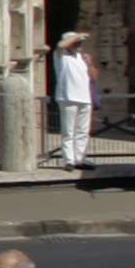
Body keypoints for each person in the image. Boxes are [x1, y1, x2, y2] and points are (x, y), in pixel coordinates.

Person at [53, 33, 98, 168]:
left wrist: (90, 64)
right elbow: (61, 45)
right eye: (77, 42)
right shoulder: (61, 55)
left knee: (83, 132)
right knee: (68, 131)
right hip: (68, 97)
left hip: (85, 98)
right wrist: (78, 35)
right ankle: (69, 160)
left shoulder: (81, 57)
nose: (80, 44)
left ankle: (80, 159)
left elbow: (94, 77)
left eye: (80, 42)